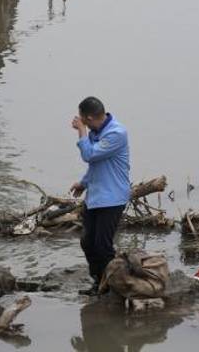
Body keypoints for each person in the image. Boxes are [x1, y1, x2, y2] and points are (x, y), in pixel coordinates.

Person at [69, 96, 131, 295]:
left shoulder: (116, 133)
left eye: (83, 120)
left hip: (112, 198)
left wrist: (81, 131)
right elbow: (97, 164)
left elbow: (90, 155)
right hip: (95, 197)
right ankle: (98, 282)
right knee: (87, 242)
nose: (82, 124)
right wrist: (84, 183)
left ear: (88, 118)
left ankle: (111, 286)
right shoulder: (97, 132)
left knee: (103, 246)